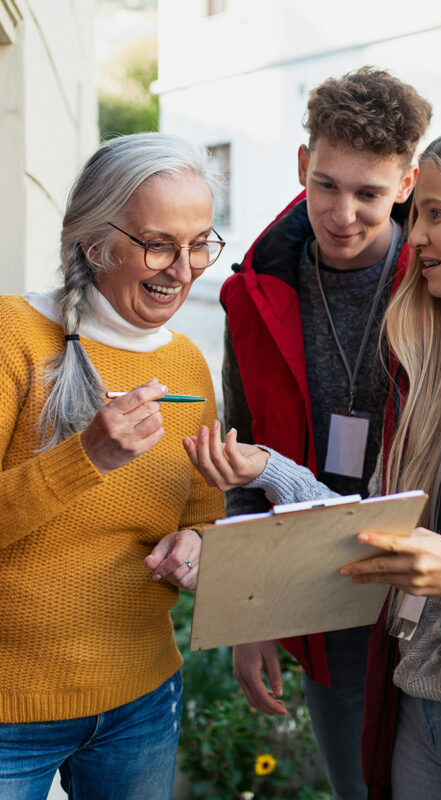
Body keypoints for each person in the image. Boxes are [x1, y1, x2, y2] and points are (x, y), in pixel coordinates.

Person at [186, 120, 441, 800]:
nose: (417, 235)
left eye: (435, 213)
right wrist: (268, 470)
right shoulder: (429, 360)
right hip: (410, 705)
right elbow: (370, 524)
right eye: (418, 214)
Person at [220, 66, 431, 798]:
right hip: (323, 590)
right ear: (304, 166)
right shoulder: (254, 293)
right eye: (328, 186)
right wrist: (253, 614)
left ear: (407, 182)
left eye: (369, 193)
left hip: (438, 590)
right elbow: (240, 462)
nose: (344, 213)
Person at [0, 132, 226, 800]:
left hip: (141, 701)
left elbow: (203, 516)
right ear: (95, 242)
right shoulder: (15, 338)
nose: (183, 269)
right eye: (159, 243)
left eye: (201, 244)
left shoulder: (187, 363)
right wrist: (85, 458)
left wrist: (195, 548)